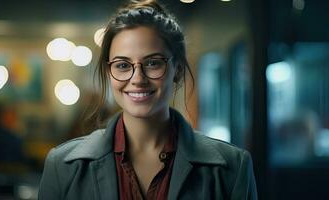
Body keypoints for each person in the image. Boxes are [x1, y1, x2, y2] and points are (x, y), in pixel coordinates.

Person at [38, 0, 258, 199]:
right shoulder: (63, 167)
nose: (138, 79)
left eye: (153, 63)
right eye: (123, 65)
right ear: (109, 73)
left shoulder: (232, 168)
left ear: (178, 70)